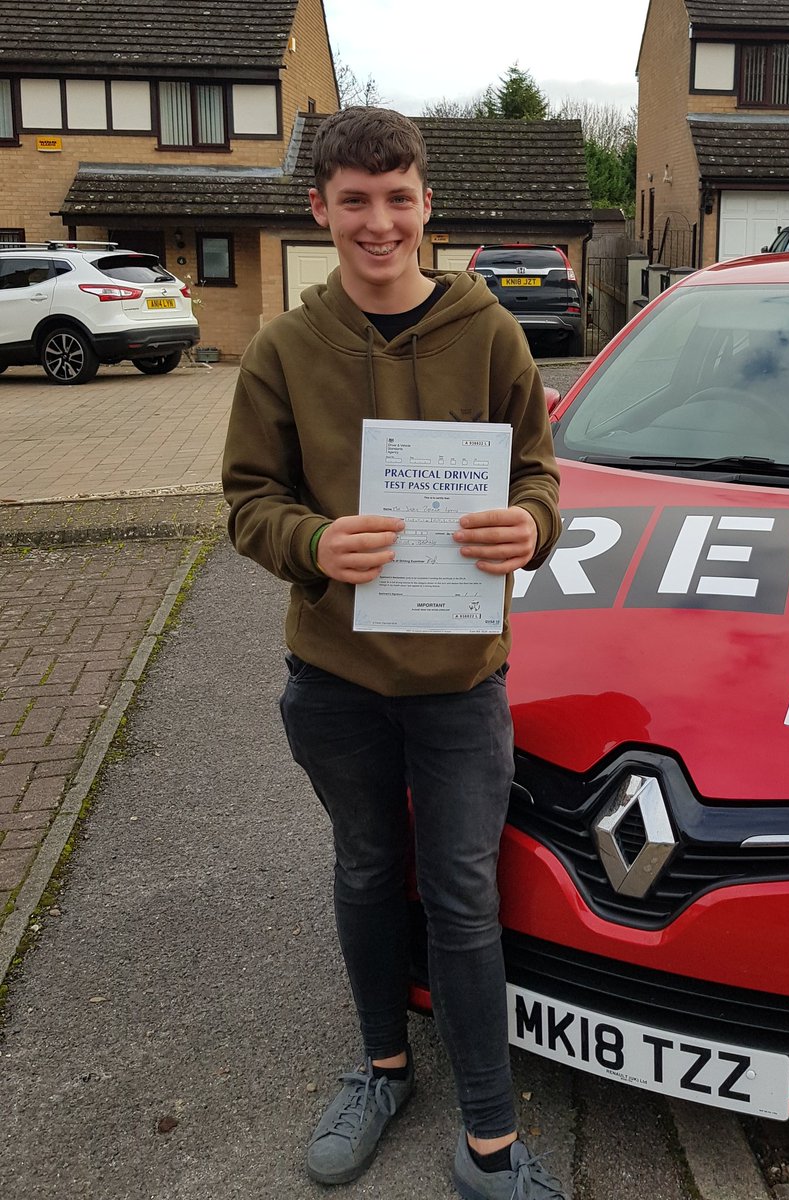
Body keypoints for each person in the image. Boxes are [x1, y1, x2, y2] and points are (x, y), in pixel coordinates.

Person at [221, 106, 564, 1198]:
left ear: (427, 206)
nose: (380, 222)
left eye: (399, 197)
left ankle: (489, 1140)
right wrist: (315, 541)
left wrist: (534, 527)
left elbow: (541, 477)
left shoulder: (490, 333)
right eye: (355, 200)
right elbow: (246, 504)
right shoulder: (282, 348)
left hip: (461, 682)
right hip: (334, 681)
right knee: (368, 870)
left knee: (463, 897)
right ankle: (379, 1070)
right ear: (319, 209)